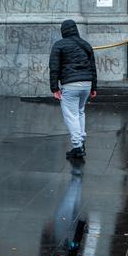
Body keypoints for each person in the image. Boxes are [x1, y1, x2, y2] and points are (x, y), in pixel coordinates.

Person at [49, 19, 98, 160]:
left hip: (70, 84)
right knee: (80, 111)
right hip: (86, 84)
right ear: (76, 29)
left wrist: (54, 88)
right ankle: (81, 141)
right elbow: (93, 67)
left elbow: (54, 68)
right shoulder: (86, 45)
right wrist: (94, 86)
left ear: (63, 31)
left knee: (71, 115)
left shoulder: (59, 45)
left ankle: (77, 147)